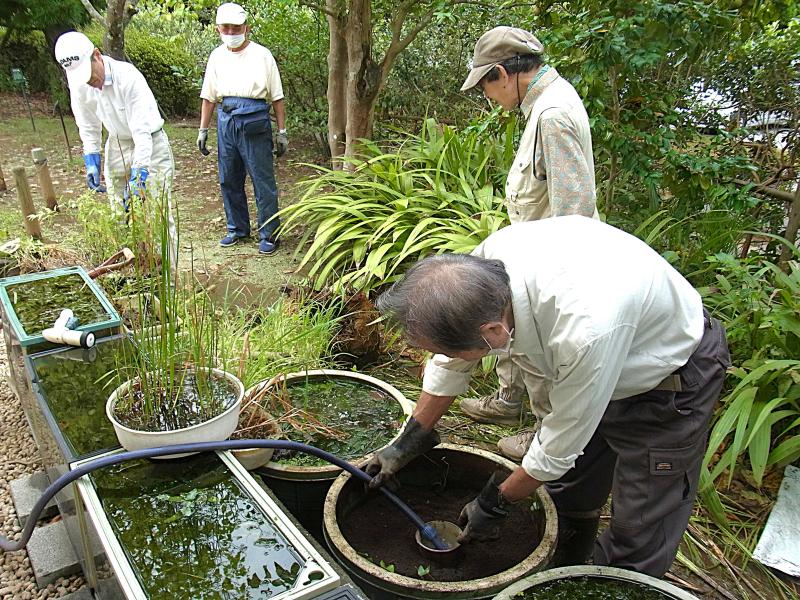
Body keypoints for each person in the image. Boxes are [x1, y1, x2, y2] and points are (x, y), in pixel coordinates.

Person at [367, 216, 730, 578]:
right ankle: (567, 562)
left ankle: (618, 580)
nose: (449, 356)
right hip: (597, 365)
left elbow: (559, 443)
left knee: (642, 520)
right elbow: (449, 361)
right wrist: (409, 440)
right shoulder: (472, 274)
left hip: (667, 382)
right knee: (569, 489)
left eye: (455, 350)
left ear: (494, 331)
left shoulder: (583, 328)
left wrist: (495, 501)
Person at [457, 26, 598, 456]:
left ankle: (543, 436)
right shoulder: (541, 105)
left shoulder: (553, 114)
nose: (488, 97)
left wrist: (550, 281)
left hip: (550, 259)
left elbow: (574, 209)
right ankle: (506, 402)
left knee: (536, 345)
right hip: (531, 246)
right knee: (510, 330)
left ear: (502, 73)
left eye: (486, 86)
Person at [198, 2, 288, 256]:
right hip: (226, 120)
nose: (231, 32)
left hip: (255, 120)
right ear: (218, 29)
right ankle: (237, 228)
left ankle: (270, 233)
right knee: (229, 177)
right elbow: (209, 96)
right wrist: (203, 129)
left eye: (236, 27)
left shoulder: (262, 55)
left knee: (262, 179)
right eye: (225, 27)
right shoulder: (217, 56)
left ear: (246, 27)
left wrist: (281, 132)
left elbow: (277, 97)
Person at [55, 31, 175, 219]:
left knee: (156, 214)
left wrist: (140, 171)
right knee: (119, 213)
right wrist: (91, 158)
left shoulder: (127, 77)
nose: (89, 82)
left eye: (90, 75)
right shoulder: (79, 84)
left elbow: (141, 130)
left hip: (150, 141)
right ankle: (126, 249)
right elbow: (88, 124)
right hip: (117, 142)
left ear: (96, 55)